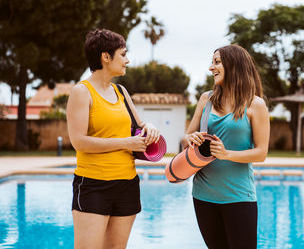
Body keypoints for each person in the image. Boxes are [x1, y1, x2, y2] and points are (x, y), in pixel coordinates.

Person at [66, 29, 160, 249]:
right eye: (123, 54)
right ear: (105, 57)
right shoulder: (81, 92)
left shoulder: (121, 92)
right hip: (93, 185)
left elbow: (138, 126)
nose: (127, 60)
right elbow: (79, 141)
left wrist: (150, 126)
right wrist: (125, 143)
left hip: (127, 184)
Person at [182, 44, 270, 249]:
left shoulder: (255, 104)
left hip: (239, 196)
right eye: (212, 62)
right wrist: (190, 138)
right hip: (203, 195)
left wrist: (226, 153)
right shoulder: (206, 99)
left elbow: (261, 152)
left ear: (234, 64)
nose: (211, 67)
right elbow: (186, 137)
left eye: (217, 62)